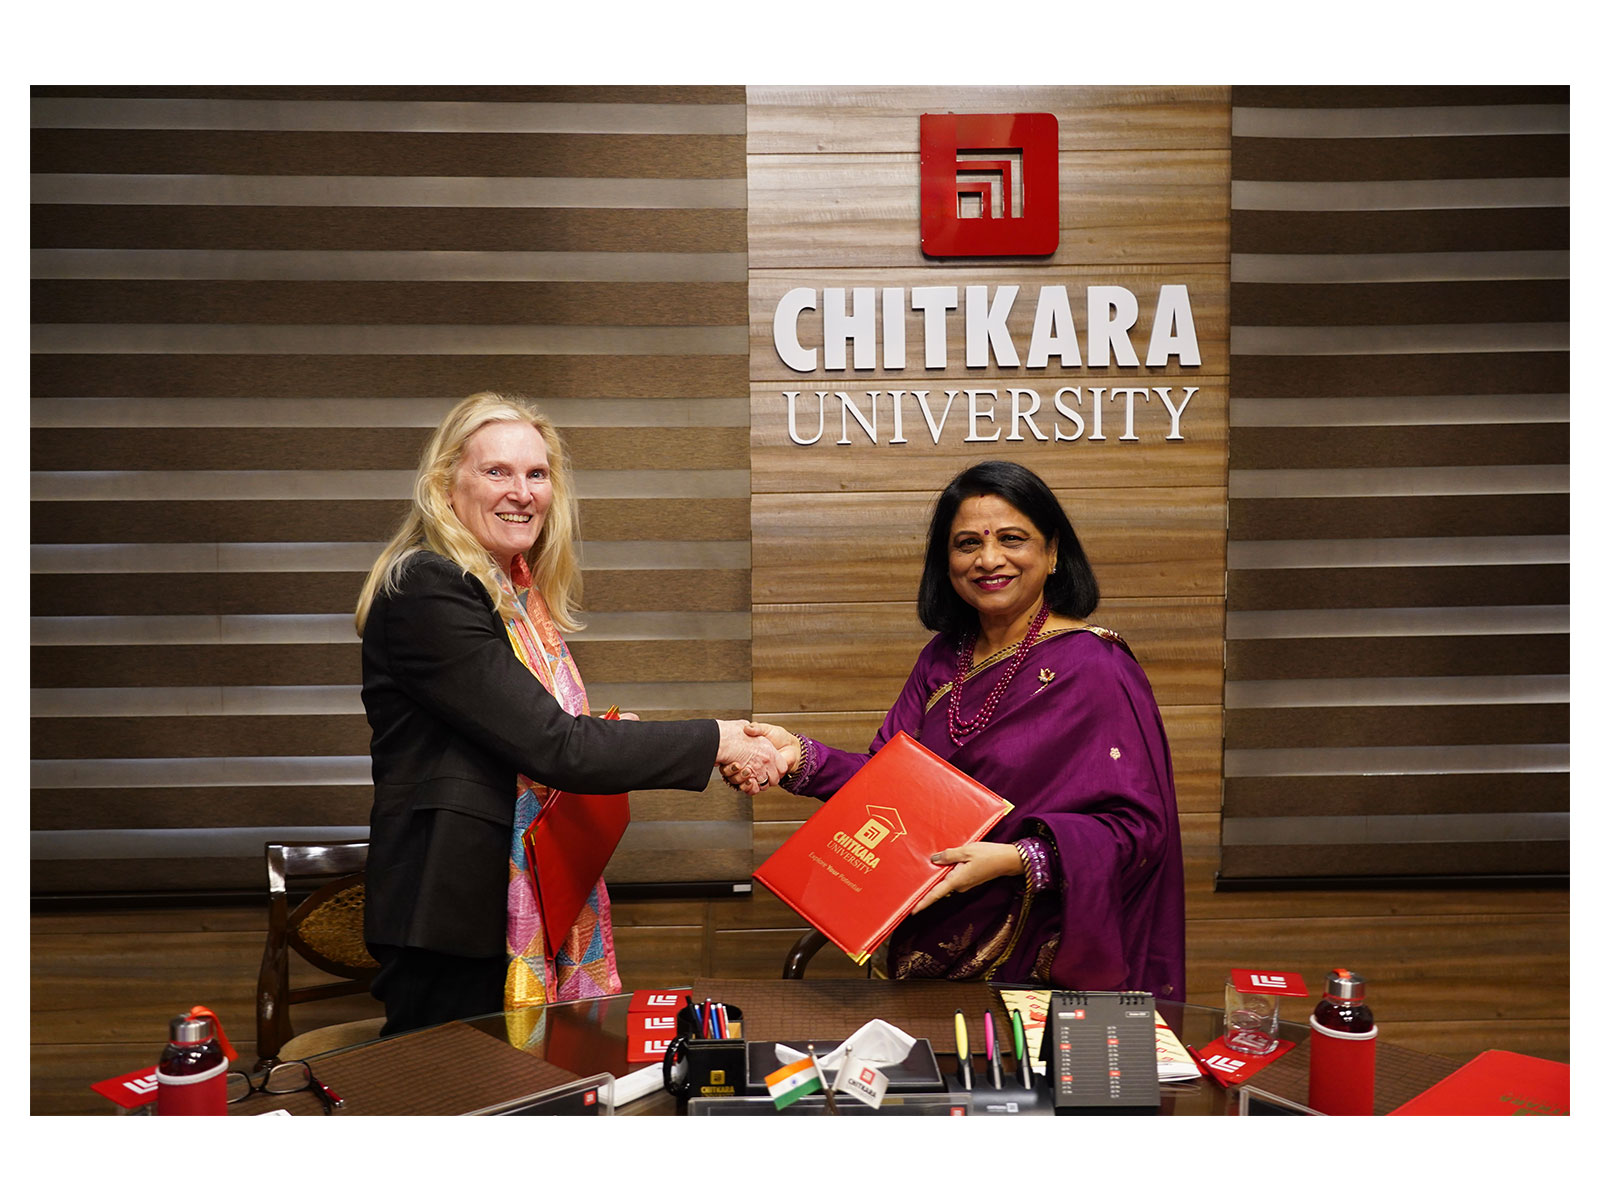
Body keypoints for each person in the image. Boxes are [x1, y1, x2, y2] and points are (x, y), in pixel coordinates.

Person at [355, 392, 783, 1035]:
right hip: (453, 916)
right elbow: (557, 748)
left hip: (499, 903)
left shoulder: (516, 596)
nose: (521, 491)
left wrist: (613, 736)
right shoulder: (428, 586)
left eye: (536, 474)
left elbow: (522, 730)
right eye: (497, 471)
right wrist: (721, 740)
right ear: (446, 483)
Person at [748, 461, 1185, 999]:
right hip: (921, 933)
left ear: (1052, 554)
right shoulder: (943, 657)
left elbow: (1140, 831)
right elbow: (889, 787)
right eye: (967, 544)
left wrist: (1013, 859)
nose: (989, 559)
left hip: (1032, 956)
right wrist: (799, 758)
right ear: (946, 562)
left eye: (1011, 539)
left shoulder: (1097, 667)